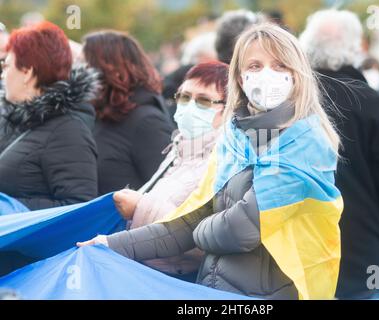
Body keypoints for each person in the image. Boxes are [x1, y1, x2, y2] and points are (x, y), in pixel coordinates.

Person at [79, 23, 343, 300]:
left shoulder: (305, 141)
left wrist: (202, 228)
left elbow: (242, 230)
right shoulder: (234, 139)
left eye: (279, 66)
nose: (267, 75)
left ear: (296, 75)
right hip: (213, 292)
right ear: (240, 78)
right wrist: (109, 244)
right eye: (254, 66)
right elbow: (185, 221)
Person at [300, 9, 379, 299]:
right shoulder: (369, 99)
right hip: (362, 248)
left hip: (302, 245)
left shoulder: (294, 97)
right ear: (354, 48)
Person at [111, 61, 228, 282]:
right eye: (184, 97)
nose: (189, 106)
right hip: (145, 271)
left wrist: (140, 206)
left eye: (203, 100)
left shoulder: (225, 161)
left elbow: (200, 239)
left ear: (228, 109)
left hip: (173, 282)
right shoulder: (181, 149)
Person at [0, 21, 99, 210]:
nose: (3, 75)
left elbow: (78, 207)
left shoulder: (69, 131)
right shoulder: (15, 118)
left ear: (27, 72)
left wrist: (10, 208)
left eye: (7, 66)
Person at [82, 31, 174, 195]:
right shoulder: (102, 116)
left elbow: (166, 196)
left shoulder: (147, 122)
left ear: (107, 70)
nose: (79, 73)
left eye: (85, 65)